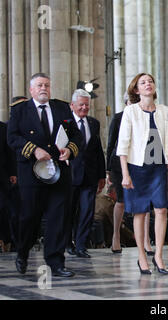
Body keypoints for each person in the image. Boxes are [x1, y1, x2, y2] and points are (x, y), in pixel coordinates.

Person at [7, 73, 82, 277]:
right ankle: (22, 252)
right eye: (39, 85)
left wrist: (70, 150)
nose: (44, 89)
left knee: (58, 217)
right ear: (31, 90)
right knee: (29, 217)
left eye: (47, 85)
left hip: (59, 172)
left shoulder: (62, 108)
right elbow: (12, 138)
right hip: (31, 173)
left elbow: (76, 135)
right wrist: (33, 150)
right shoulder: (20, 111)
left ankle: (56, 262)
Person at [117, 73, 168, 275]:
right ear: (136, 90)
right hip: (136, 168)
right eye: (143, 82)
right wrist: (125, 174)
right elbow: (123, 146)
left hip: (158, 166)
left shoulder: (164, 111)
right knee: (139, 211)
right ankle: (142, 255)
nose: (148, 84)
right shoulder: (130, 111)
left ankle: (158, 254)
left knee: (161, 210)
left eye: (150, 81)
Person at [107, 93, 154, 255]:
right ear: (126, 103)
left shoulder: (146, 117)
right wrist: (107, 170)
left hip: (141, 162)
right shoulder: (119, 118)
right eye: (131, 101)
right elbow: (111, 143)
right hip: (120, 164)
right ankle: (116, 236)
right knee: (121, 200)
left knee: (145, 201)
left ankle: (146, 241)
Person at [66, 89, 106, 258]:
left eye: (86, 105)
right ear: (72, 105)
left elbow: (98, 150)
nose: (84, 108)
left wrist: (102, 175)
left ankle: (81, 245)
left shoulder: (93, 123)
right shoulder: (65, 124)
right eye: (80, 104)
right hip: (70, 175)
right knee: (69, 211)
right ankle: (68, 243)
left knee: (87, 211)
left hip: (90, 176)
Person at [0, 120, 17, 252]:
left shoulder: (3, 127)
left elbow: (9, 152)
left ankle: (4, 240)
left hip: (2, 177)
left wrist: (12, 173)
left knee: (3, 209)